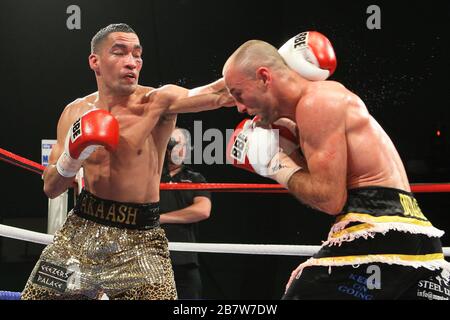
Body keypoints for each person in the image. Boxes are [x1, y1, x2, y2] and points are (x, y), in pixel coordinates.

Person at [222, 35, 450, 299]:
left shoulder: (316, 101)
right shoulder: (319, 104)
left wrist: (275, 164)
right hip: (417, 242)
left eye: (238, 94)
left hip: (380, 232)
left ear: (264, 77)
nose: (238, 107)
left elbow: (329, 199)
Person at [20, 23, 232, 300]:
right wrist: (72, 157)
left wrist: (277, 68)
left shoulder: (158, 101)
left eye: (137, 55)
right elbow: (51, 187)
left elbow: (220, 94)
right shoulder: (75, 112)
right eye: (120, 53)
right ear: (95, 61)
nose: (132, 62)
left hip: (140, 241)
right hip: (80, 233)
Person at [159, 128, 212, 299]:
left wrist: (161, 218)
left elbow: (203, 210)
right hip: (152, 257)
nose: (177, 149)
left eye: (181, 144)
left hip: (185, 260)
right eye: (172, 144)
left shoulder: (195, 178)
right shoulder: (151, 176)